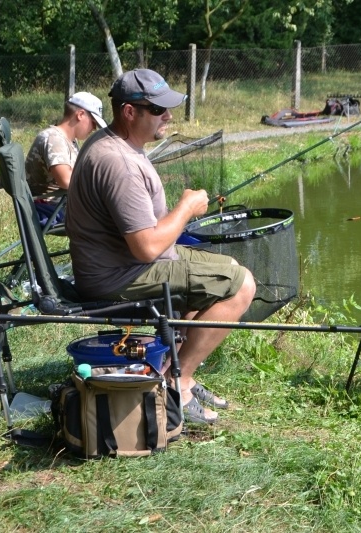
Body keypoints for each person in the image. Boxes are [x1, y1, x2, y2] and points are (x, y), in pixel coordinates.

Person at [65, 68, 257, 425]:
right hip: (121, 276)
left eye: (167, 108)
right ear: (129, 112)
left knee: (226, 266)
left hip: (121, 264)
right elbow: (146, 247)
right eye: (157, 109)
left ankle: (178, 369)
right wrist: (185, 209)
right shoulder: (117, 162)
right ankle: (177, 384)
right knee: (241, 284)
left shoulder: (114, 144)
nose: (168, 116)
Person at [24, 91, 106, 226]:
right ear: (80, 115)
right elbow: (66, 181)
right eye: (93, 122)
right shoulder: (54, 139)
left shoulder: (69, 141)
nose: (94, 128)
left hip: (61, 205)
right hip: (52, 210)